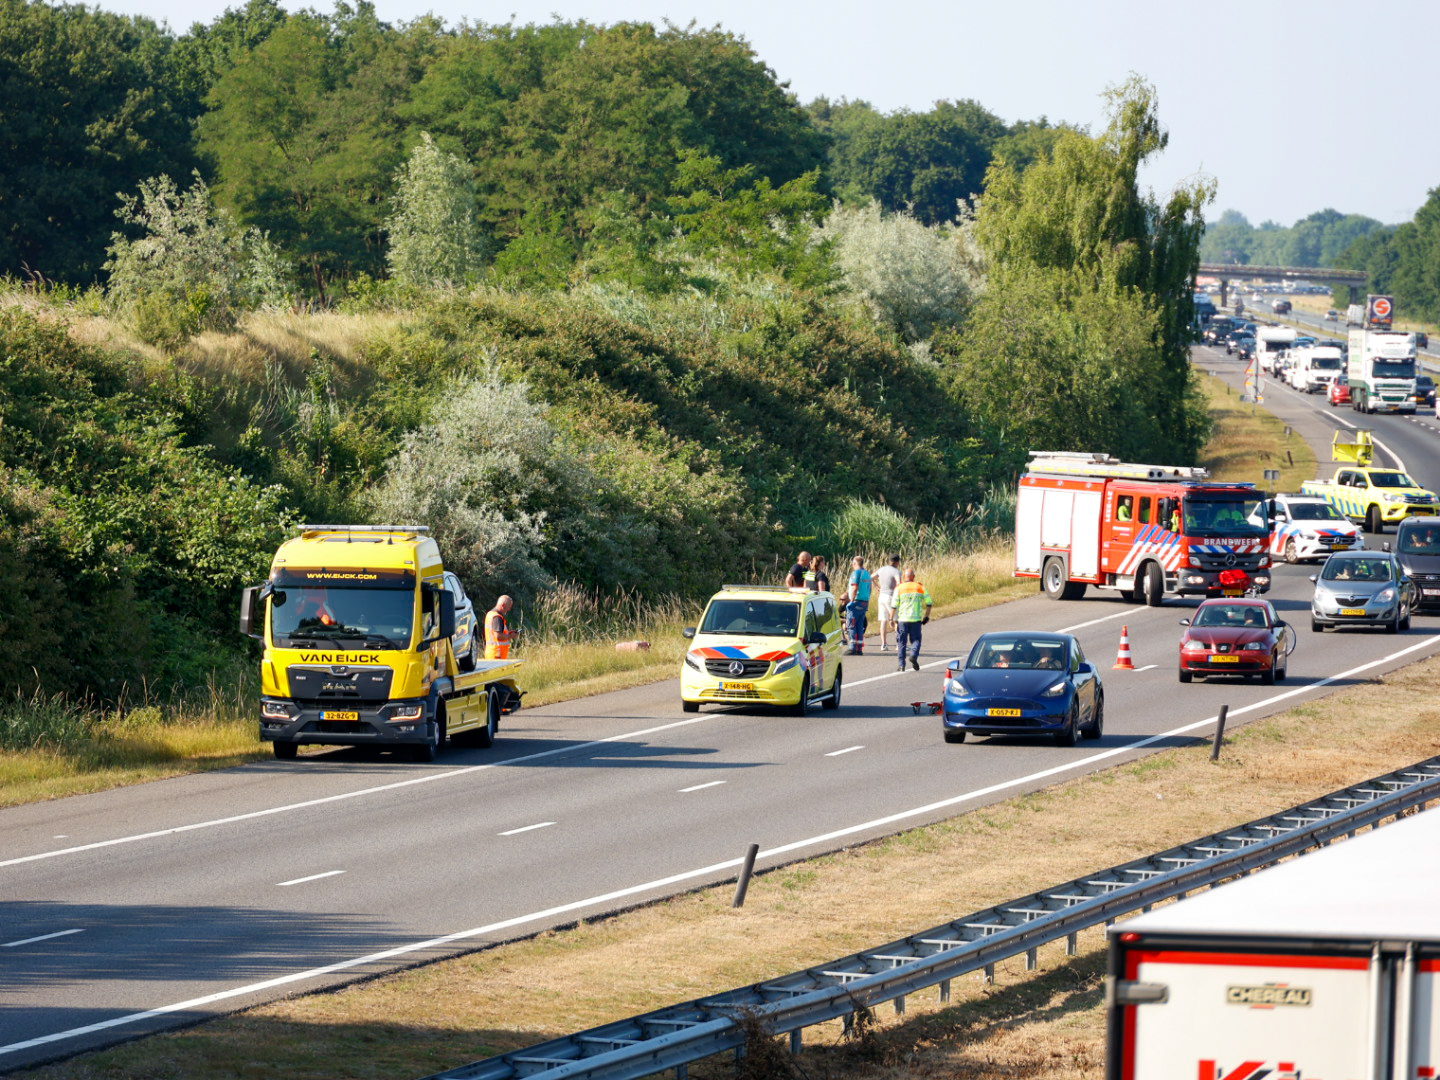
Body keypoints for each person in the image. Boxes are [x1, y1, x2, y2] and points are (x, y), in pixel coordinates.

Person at [893, 568, 932, 672]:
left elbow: (894, 605)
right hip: (916, 620)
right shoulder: (920, 587)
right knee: (916, 640)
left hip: (903, 619)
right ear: (913, 577)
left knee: (902, 642)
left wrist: (892, 619)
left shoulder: (899, 588)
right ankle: (913, 655)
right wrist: (926, 616)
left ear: (904, 577)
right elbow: (929, 602)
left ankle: (901, 665)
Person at [873, 554, 902, 651]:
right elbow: (899, 583)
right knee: (896, 620)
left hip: (882, 596)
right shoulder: (896, 571)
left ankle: (884, 644)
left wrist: (877, 587)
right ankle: (899, 644)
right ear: (897, 562)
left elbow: (870, 577)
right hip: (891, 596)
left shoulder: (881, 569)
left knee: (884, 620)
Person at [844, 556, 873, 655]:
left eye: (853, 563)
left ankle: (852, 647)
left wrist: (851, 601)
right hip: (864, 602)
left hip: (856, 601)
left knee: (851, 625)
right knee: (860, 626)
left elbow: (855, 587)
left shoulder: (856, 573)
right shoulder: (867, 574)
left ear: (855, 563)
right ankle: (859, 648)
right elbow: (870, 589)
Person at [484, 595, 518, 660]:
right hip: (497, 654)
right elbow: (498, 636)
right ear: (503, 605)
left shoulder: (490, 614)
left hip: (492, 652)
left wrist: (508, 633)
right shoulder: (497, 617)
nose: (509, 609)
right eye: (508, 607)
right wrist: (510, 636)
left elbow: (494, 634)